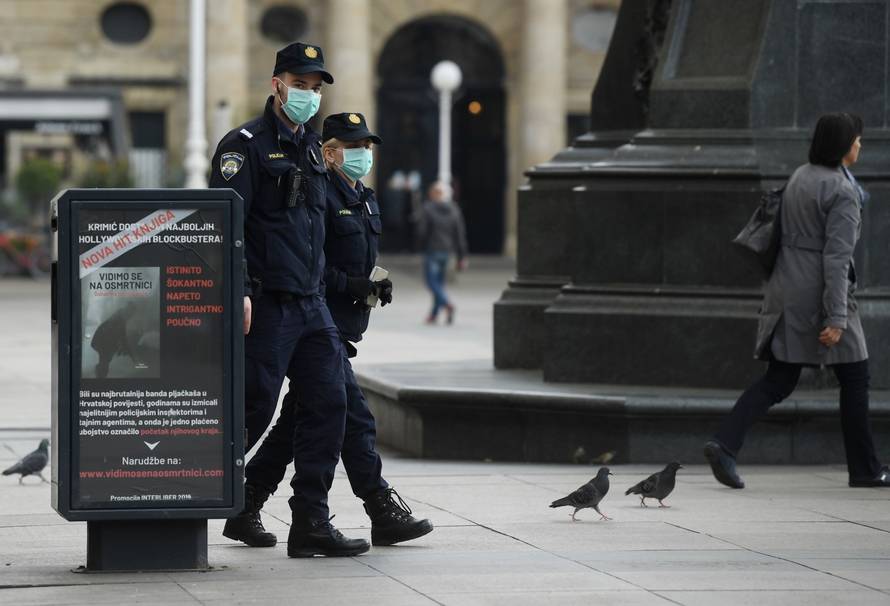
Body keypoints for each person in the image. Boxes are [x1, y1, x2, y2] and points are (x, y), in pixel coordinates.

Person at [225, 112, 433, 551]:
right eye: (354, 148)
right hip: (314, 320)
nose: (363, 156)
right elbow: (306, 256)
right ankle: (377, 506)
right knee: (347, 415)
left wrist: (371, 286)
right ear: (331, 151)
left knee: (306, 418)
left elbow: (327, 256)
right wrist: (345, 286)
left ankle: (251, 502)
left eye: (367, 148)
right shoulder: (313, 179)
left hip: (327, 324)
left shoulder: (361, 196)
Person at [209, 42, 369, 557]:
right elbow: (226, 223)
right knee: (254, 408)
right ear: (277, 83)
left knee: (329, 404)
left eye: (315, 87)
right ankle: (193, 487)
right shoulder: (246, 146)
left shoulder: (312, 150)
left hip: (311, 303)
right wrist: (240, 289)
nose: (309, 95)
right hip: (268, 304)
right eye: (300, 85)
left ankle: (311, 522)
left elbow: (315, 227)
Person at [705, 113, 889, 489]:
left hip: (786, 287)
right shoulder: (841, 191)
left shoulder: (801, 175)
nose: (859, 145)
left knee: (780, 378)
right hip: (821, 294)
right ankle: (865, 469)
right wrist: (836, 318)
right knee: (855, 377)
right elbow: (837, 259)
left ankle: (725, 442)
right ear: (842, 145)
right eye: (856, 140)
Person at [418, 181, 468, 324]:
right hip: (447, 251)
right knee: (439, 283)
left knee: (431, 282)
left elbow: (422, 231)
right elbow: (460, 234)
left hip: (432, 250)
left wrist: (420, 245)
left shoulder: (428, 208)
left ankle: (447, 304)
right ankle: (434, 315)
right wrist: (461, 256)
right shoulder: (454, 209)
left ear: (434, 193)